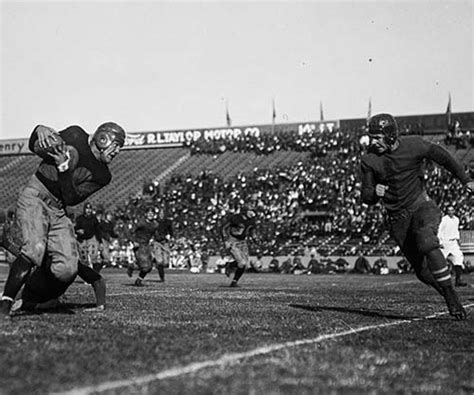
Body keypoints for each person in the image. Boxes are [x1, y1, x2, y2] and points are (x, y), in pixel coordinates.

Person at [0, 121, 125, 319]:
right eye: (116, 144)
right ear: (103, 138)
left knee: (67, 268)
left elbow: (71, 198)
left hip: (58, 208)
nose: (117, 151)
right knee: (35, 249)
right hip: (36, 195)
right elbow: (37, 145)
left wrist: (64, 169)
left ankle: (31, 298)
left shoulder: (103, 175)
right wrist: (37, 130)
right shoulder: (75, 135)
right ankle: (5, 304)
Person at [361, 113, 473, 320]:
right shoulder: (369, 159)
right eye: (371, 137)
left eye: (377, 137)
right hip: (397, 219)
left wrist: (465, 180)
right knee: (423, 273)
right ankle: (448, 293)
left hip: (421, 205)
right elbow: (366, 195)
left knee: (426, 240)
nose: (373, 142)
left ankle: (450, 295)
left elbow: (444, 157)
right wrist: (373, 192)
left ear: (391, 135)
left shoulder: (414, 145)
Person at [220, 206, 257, 287]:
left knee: (245, 265)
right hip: (233, 241)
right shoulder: (235, 218)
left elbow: (252, 231)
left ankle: (232, 273)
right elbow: (223, 228)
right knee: (242, 263)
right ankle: (234, 281)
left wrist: (255, 239)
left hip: (243, 242)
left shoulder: (252, 221)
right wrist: (226, 240)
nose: (252, 212)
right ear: (245, 211)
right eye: (250, 210)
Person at [128, 206, 159, 286]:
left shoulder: (155, 224)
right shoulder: (141, 222)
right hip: (138, 244)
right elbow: (130, 232)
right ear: (146, 214)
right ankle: (133, 267)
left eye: (152, 213)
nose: (150, 215)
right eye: (149, 213)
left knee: (149, 267)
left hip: (146, 245)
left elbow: (156, 235)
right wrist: (133, 241)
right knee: (145, 266)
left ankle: (137, 276)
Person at [438, 205, 467, 287]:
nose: (451, 212)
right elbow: (439, 230)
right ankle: (438, 280)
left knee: (459, 258)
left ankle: (458, 280)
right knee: (440, 260)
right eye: (449, 210)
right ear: (447, 211)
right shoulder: (444, 219)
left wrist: (458, 240)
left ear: (454, 211)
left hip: (453, 242)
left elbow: (456, 230)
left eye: (452, 210)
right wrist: (440, 242)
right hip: (445, 241)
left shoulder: (456, 219)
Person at [75, 202, 101, 271]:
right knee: (84, 259)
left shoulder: (94, 219)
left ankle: (95, 271)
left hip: (91, 238)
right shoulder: (79, 218)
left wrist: (99, 241)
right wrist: (78, 231)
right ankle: (87, 273)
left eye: (90, 208)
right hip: (82, 240)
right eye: (87, 208)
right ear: (84, 209)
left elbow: (97, 230)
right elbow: (75, 228)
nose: (88, 210)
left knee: (93, 256)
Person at [150, 207, 173, 282]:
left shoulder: (168, 222)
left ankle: (155, 262)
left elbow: (171, 231)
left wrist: (170, 236)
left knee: (166, 262)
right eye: (160, 213)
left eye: (162, 213)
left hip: (165, 242)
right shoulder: (154, 222)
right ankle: (162, 277)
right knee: (159, 262)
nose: (161, 215)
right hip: (157, 242)